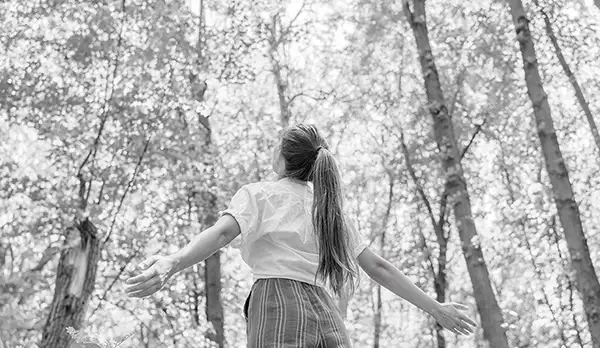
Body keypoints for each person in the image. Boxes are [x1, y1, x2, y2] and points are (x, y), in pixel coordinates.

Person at [125, 124, 477, 347]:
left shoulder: (260, 194)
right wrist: (435, 308)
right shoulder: (329, 210)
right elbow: (379, 267)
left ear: (281, 156)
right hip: (325, 312)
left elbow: (219, 236)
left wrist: (173, 260)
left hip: (276, 301)